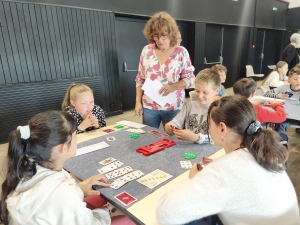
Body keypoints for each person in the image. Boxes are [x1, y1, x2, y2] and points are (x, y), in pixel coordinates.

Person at [156, 95, 299, 225]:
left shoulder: (226, 169)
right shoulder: (264, 150)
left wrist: (193, 180)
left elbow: (165, 214)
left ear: (222, 128)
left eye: (209, 124)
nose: (209, 129)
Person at [0, 111, 109, 224]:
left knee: (99, 198)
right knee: (127, 219)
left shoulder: (27, 166)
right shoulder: (64, 194)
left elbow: (47, 197)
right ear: (62, 148)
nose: (77, 140)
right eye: (75, 136)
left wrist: (79, 187)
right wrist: (107, 210)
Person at [135, 11, 195, 129]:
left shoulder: (181, 52)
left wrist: (173, 86)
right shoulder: (147, 51)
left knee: (173, 140)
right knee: (149, 139)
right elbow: (140, 79)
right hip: (149, 107)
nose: (160, 40)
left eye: (164, 35)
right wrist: (138, 102)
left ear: (171, 33)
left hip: (173, 107)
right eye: (156, 36)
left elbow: (190, 79)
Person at [165, 68, 220, 144]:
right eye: (197, 91)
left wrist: (196, 137)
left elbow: (218, 138)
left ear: (216, 90)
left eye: (205, 92)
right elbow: (175, 122)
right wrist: (170, 126)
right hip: (187, 148)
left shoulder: (220, 112)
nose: (200, 96)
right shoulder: (190, 106)